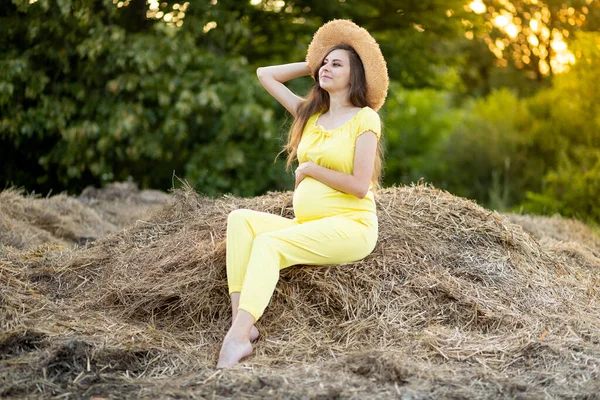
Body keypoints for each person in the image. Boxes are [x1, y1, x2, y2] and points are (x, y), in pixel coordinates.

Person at [217, 19, 389, 368]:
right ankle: (242, 325)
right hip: (309, 224)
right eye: (325, 63)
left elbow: (360, 186)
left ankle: (235, 341)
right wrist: (313, 63)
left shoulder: (365, 119)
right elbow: (265, 74)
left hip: (350, 226)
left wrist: (310, 169)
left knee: (269, 245)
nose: (327, 67)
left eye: (336, 64)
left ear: (354, 76)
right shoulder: (311, 115)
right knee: (240, 221)